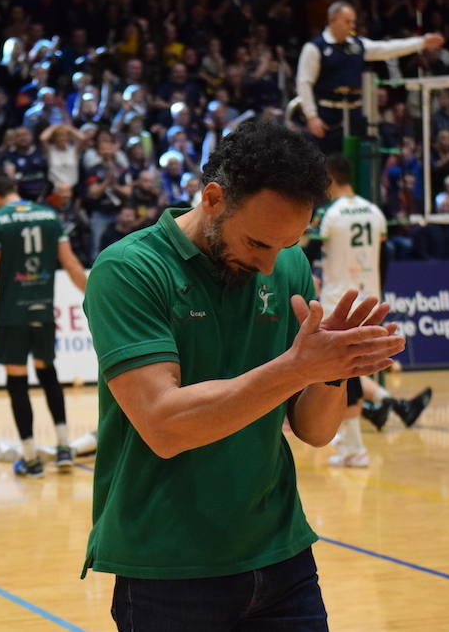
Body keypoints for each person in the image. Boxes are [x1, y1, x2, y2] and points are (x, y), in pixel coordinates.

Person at [81, 122, 405, 629]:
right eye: (258, 243)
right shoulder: (129, 270)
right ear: (213, 199)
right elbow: (165, 427)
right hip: (167, 565)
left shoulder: (289, 264)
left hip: (282, 556)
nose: (271, 264)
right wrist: (296, 367)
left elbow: (317, 432)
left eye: (288, 244)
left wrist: (333, 371)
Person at [0, 173, 88, 478]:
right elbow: (70, 263)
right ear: (14, 188)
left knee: (17, 384)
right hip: (43, 310)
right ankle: (62, 449)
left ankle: (31, 458)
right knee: (48, 373)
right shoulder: (49, 215)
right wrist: (95, 295)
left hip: (11, 314)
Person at [309, 154, 431, 467]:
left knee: (340, 374)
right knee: (348, 372)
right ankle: (361, 431)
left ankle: (354, 448)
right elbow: (383, 255)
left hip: (339, 302)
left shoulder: (329, 214)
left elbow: (307, 249)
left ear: (330, 178)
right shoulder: (375, 212)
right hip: (369, 300)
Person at [295, 1, 445, 154]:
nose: (352, 26)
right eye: (347, 21)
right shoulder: (314, 48)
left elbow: (388, 49)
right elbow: (304, 83)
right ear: (332, 20)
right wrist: (312, 117)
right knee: (325, 168)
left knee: (354, 168)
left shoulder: (358, 45)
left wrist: (421, 42)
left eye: (353, 21)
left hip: (354, 115)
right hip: (327, 116)